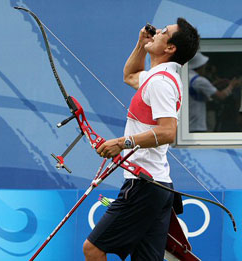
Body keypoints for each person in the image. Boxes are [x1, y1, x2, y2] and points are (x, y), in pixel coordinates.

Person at [83, 18, 200, 261]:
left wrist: (120, 142)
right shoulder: (155, 77)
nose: (156, 31)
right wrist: (141, 44)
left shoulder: (160, 83)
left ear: (170, 49)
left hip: (144, 185)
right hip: (155, 186)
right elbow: (130, 75)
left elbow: (168, 132)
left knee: (93, 249)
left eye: (163, 32)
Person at [188, 52, 241, 132]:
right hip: (197, 125)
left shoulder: (188, 77)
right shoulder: (200, 81)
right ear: (200, 66)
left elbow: (201, 89)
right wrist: (231, 85)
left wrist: (214, 84)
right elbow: (220, 96)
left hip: (187, 124)